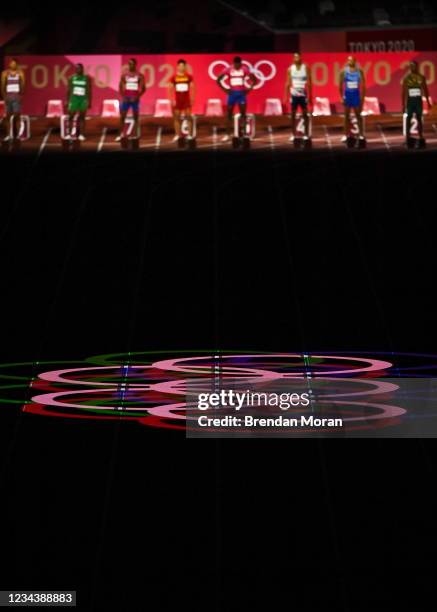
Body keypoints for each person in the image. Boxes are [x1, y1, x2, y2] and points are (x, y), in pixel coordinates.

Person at [217, 56, 256, 142]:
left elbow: (254, 80)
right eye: (236, 64)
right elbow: (218, 80)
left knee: (243, 114)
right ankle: (227, 135)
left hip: (241, 94)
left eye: (239, 64)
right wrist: (225, 89)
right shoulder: (228, 69)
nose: (237, 66)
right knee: (229, 114)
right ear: (233, 63)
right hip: (232, 95)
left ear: (240, 63)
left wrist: (249, 89)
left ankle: (245, 133)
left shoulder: (244, 69)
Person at [283, 52, 312, 141]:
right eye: (295, 57)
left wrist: (310, 96)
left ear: (301, 58)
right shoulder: (290, 69)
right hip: (294, 95)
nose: (297, 59)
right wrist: (286, 96)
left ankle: (306, 134)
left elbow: (309, 83)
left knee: (305, 114)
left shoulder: (305, 67)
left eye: (298, 57)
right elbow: (287, 83)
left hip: (303, 94)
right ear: (293, 59)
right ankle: (293, 134)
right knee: (293, 114)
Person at [116, 58, 145, 142]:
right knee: (122, 116)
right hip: (126, 99)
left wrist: (138, 96)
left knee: (136, 117)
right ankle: (121, 134)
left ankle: (136, 134)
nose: (130, 65)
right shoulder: (124, 75)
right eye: (129, 64)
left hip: (135, 100)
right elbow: (120, 86)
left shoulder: (139, 75)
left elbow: (143, 89)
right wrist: (123, 96)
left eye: (132, 64)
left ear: (135, 65)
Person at [402, 60, 431, 141]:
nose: (412, 68)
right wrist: (403, 105)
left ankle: (421, 136)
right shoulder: (406, 78)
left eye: (413, 66)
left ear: (417, 67)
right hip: (410, 101)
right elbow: (403, 92)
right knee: (409, 117)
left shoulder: (421, 77)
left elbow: (425, 90)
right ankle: (408, 137)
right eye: (410, 66)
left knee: (419, 118)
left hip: (418, 100)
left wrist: (428, 102)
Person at [339, 56, 366, 141]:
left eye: (352, 60)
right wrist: (341, 97)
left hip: (356, 95)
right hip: (347, 95)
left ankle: (361, 135)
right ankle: (345, 135)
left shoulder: (359, 71)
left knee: (358, 115)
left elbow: (363, 86)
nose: (350, 61)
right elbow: (340, 86)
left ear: (355, 61)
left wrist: (362, 98)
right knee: (346, 116)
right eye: (348, 60)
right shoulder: (343, 71)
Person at [168, 59, 195, 142]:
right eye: (179, 66)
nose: (181, 67)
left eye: (183, 66)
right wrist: (172, 99)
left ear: (185, 67)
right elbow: (170, 89)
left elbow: (192, 88)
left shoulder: (189, 77)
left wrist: (192, 98)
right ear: (177, 67)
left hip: (186, 100)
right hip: (177, 100)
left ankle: (190, 135)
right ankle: (177, 135)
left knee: (189, 117)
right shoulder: (173, 77)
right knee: (176, 118)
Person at [1, 58, 25, 142]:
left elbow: (23, 85)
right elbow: (2, 85)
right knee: (8, 117)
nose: (12, 64)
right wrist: (4, 96)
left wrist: (20, 95)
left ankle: (18, 135)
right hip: (8, 96)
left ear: (16, 65)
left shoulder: (20, 73)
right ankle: (8, 135)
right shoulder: (5, 73)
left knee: (17, 115)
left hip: (16, 96)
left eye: (14, 63)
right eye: (11, 63)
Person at [66, 63, 91, 141]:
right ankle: (69, 134)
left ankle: (81, 135)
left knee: (82, 117)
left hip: (83, 100)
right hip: (74, 100)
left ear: (82, 69)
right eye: (76, 68)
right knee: (71, 117)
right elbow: (68, 90)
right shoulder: (71, 78)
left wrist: (89, 101)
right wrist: (67, 101)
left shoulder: (86, 78)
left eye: (79, 68)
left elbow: (89, 90)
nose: (78, 70)